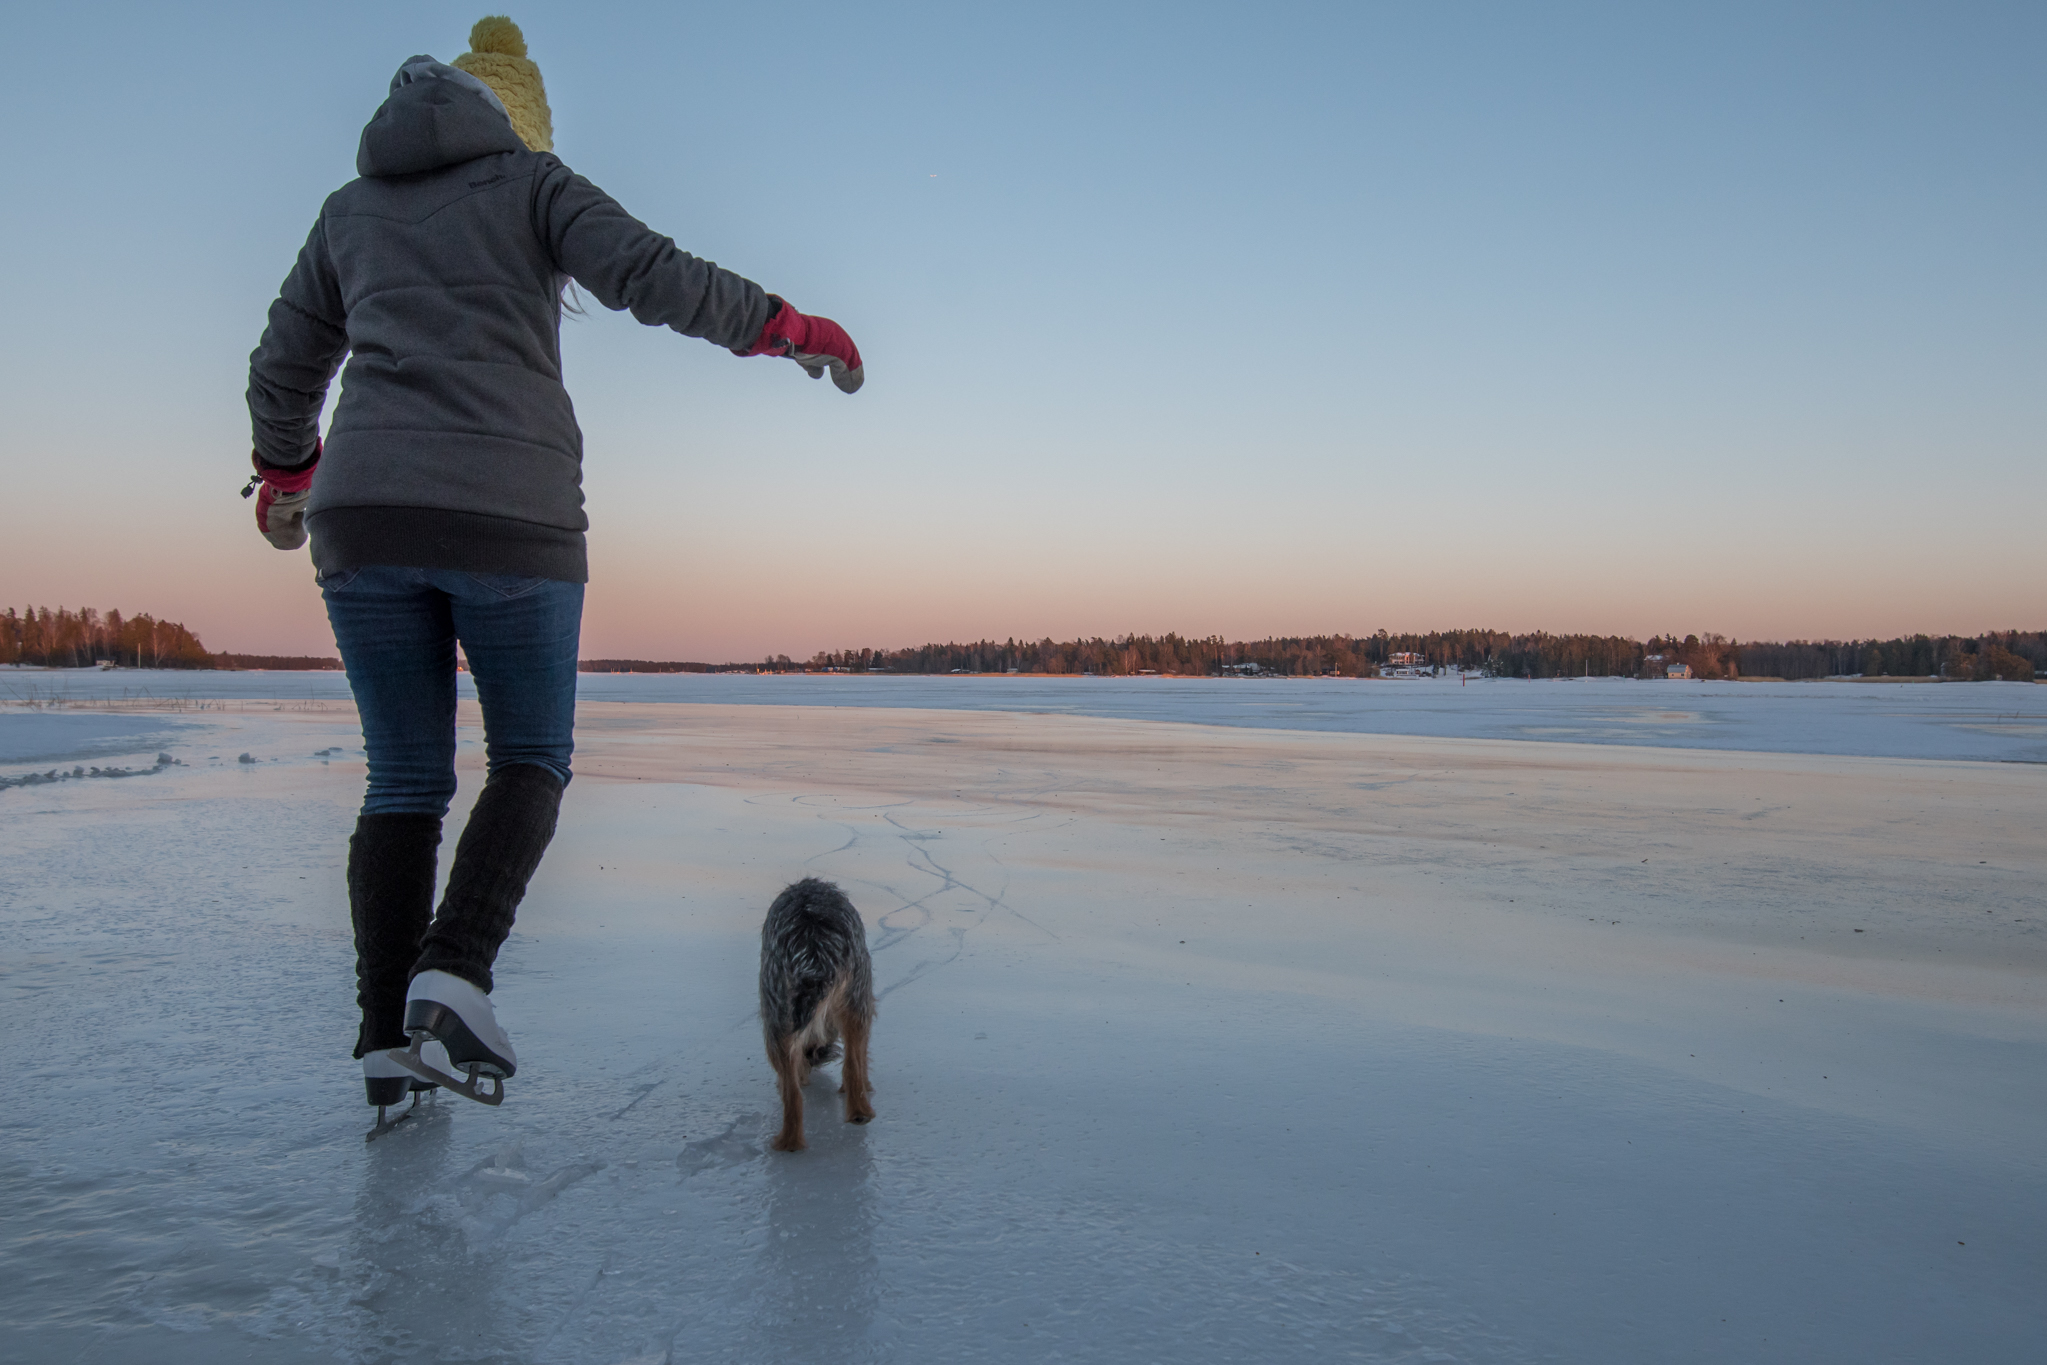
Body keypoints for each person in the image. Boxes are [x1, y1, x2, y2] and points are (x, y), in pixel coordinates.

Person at [244, 16, 862, 1118]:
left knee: (403, 783)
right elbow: (650, 273)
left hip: (364, 521)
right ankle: (455, 972)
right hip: (507, 514)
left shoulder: (349, 212)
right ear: (517, 121)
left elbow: (286, 364)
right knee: (528, 755)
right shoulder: (533, 185)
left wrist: (287, 480)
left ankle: (390, 1043)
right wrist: (789, 327)